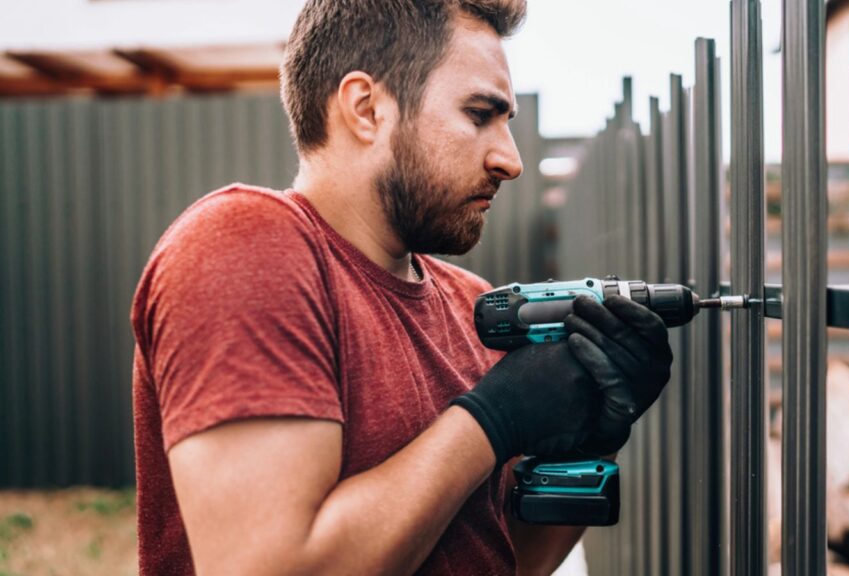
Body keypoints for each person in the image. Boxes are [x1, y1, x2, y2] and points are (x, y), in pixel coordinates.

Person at [130, 1, 674, 574]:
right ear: (367, 109)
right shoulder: (242, 245)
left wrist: (593, 436)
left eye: (506, 121)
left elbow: (505, 558)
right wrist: (490, 421)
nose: (509, 160)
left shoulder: (470, 304)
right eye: (479, 114)